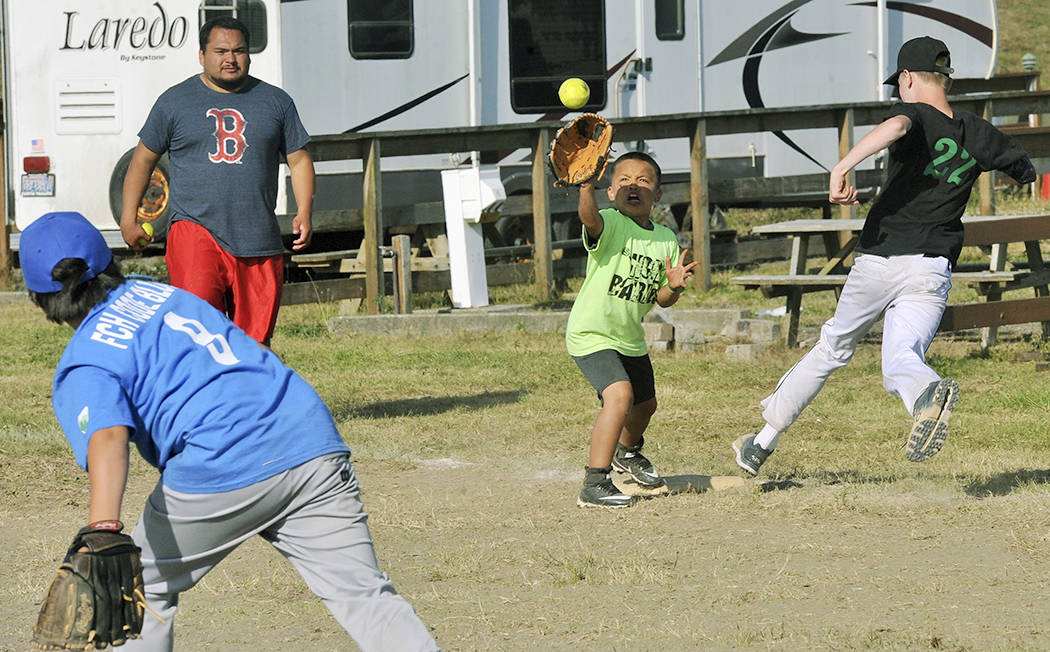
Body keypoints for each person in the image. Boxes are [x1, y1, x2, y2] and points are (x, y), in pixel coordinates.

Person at [21, 211, 439, 651]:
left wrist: (103, 529)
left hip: (221, 458)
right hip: (305, 434)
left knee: (136, 589)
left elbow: (107, 436)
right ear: (110, 263)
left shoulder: (85, 359)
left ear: (40, 300)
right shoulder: (159, 293)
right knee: (365, 595)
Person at [732, 36, 1036, 476]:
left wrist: (841, 167)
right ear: (945, 78)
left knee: (833, 347)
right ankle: (927, 394)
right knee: (901, 358)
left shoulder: (911, 113)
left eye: (899, 84)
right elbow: (1021, 166)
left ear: (908, 78)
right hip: (932, 268)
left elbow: (895, 127)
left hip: (882, 260)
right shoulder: (979, 131)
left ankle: (761, 444)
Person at [121, 16, 314, 348]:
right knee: (198, 333)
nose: (230, 59)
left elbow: (299, 160)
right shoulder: (174, 102)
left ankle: (249, 399)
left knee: (254, 344)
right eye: (221, 51)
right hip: (195, 230)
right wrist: (129, 218)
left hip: (257, 237)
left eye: (239, 51)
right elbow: (142, 160)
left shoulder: (276, 102)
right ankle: (202, 399)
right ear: (201, 55)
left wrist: (305, 211)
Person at [567, 152, 698, 508]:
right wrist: (585, 188)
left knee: (646, 406)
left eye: (643, 180)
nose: (633, 186)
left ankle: (627, 452)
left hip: (629, 336)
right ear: (611, 192)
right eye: (624, 180)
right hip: (592, 332)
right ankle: (594, 484)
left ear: (657, 195)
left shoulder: (665, 239)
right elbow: (589, 219)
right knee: (620, 396)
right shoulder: (609, 221)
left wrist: (673, 285)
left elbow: (662, 299)